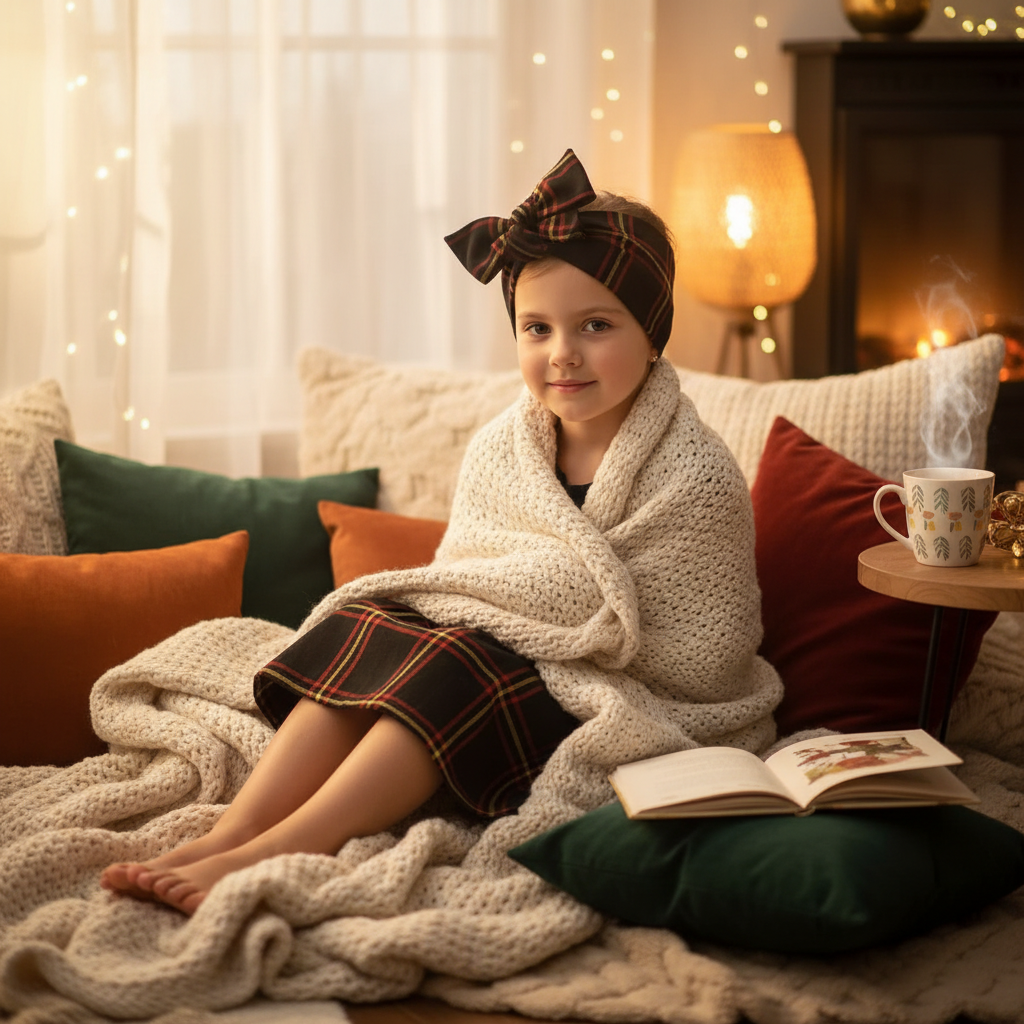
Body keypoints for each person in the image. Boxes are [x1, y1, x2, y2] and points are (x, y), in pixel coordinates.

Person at [101, 149, 782, 915]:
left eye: (596, 325)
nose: (562, 354)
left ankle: (284, 845)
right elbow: (466, 580)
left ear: (652, 334)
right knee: (377, 623)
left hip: (610, 694)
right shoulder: (504, 445)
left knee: (458, 664)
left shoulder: (695, 471)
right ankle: (235, 828)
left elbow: (705, 656)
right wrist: (508, 617)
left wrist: (536, 625)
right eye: (537, 328)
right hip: (504, 655)